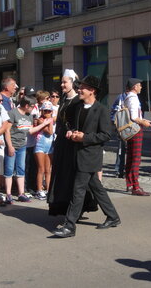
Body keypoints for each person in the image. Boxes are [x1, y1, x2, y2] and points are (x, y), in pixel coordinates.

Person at [52, 75, 120, 238]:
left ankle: (69, 226)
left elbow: (106, 135)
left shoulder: (102, 110)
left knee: (78, 190)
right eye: (79, 86)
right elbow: (76, 127)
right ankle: (113, 216)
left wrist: (85, 137)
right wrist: (72, 132)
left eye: (83, 87)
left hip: (90, 156)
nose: (79, 89)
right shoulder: (79, 107)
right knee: (97, 188)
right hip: (77, 154)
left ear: (92, 91)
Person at [4, 96, 52, 204]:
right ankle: (8, 194)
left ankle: (21, 193)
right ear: (26, 105)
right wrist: (10, 146)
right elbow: (7, 131)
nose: (32, 108)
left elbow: (30, 131)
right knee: (9, 170)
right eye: (31, 106)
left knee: (21, 169)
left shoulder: (29, 116)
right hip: (12, 144)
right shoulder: (13, 113)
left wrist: (43, 124)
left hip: (22, 146)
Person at [48, 69, 82, 215]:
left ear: (72, 83)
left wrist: (73, 130)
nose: (62, 85)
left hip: (72, 143)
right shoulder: (63, 99)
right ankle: (62, 207)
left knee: (71, 176)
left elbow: (80, 121)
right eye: (61, 82)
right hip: (61, 142)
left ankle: (74, 211)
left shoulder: (78, 100)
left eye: (64, 82)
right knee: (61, 175)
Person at [124, 78, 151, 196]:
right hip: (135, 130)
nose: (141, 87)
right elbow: (134, 117)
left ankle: (130, 183)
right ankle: (135, 186)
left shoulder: (128, 97)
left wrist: (143, 119)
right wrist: (144, 122)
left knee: (130, 157)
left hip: (130, 131)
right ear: (134, 87)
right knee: (136, 159)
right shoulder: (133, 98)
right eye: (139, 85)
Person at [34, 101, 54, 200]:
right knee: (41, 169)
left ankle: (48, 189)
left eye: (49, 110)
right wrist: (50, 121)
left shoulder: (50, 120)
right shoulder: (40, 120)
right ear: (42, 110)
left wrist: (50, 120)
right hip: (40, 145)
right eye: (45, 110)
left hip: (50, 146)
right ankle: (39, 190)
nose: (47, 112)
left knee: (48, 170)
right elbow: (50, 132)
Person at [110, 87, 129, 178]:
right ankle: (119, 169)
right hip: (121, 126)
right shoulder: (121, 97)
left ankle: (123, 169)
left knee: (126, 149)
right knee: (121, 148)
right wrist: (115, 122)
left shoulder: (134, 97)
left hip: (130, 126)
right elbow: (113, 109)